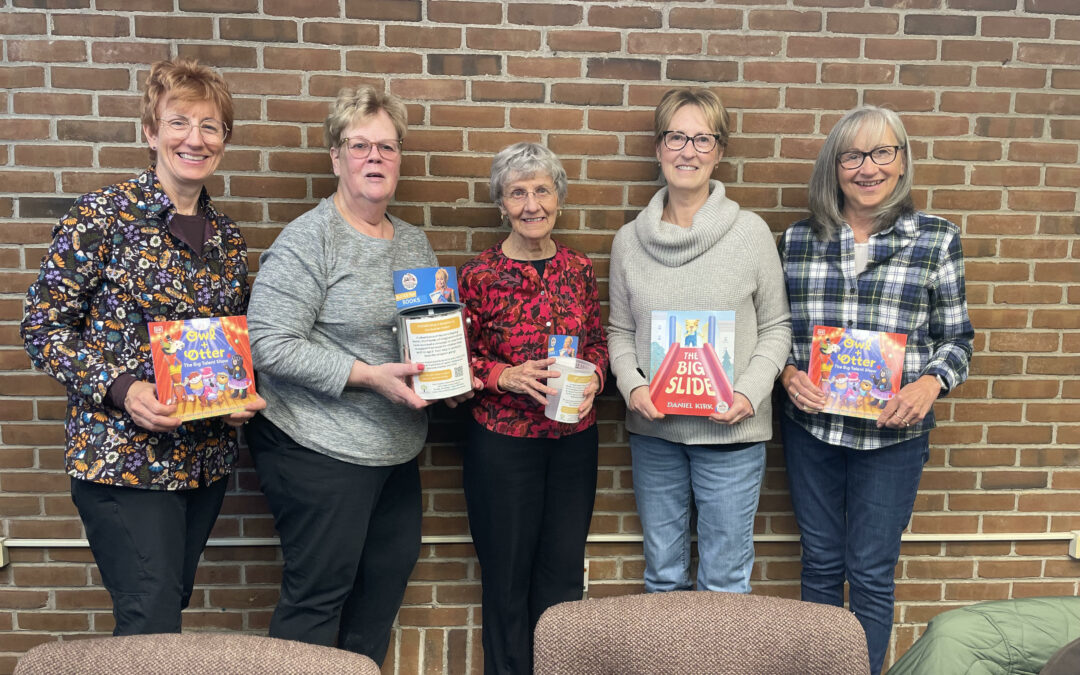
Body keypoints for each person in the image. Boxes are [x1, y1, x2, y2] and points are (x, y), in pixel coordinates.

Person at [20, 58, 264, 634]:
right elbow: (43, 326)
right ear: (151, 132)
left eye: (210, 127)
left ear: (224, 140)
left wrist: (238, 398)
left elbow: (229, 342)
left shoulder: (228, 238)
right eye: (178, 122)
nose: (194, 139)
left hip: (202, 464)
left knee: (162, 608)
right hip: (122, 462)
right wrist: (124, 390)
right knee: (150, 619)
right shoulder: (101, 217)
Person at [244, 86, 473, 664]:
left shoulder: (414, 243)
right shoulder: (309, 239)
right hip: (317, 449)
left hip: (394, 453)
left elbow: (420, 333)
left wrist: (443, 375)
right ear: (336, 157)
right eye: (360, 145)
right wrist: (367, 376)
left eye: (387, 147)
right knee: (317, 602)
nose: (375, 158)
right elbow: (267, 342)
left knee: (379, 602)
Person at [777, 105, 974, 675]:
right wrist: (787, 375)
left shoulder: (937, 240)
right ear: (834, 166)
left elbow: (957, 338)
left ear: (902, 160)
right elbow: (773, 333)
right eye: (854, 155)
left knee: (869, 572)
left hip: (894, 434)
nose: (869, 168)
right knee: (818, 564)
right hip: (814, 428)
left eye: (882, 152)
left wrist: (931, 383)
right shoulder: (796, 241)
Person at [607, 87, 791, 594]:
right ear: (658, 148)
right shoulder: (628, 241)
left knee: (726, 580)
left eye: (702, 139)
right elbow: (619, 332)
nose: (688, 151)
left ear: (720, 151)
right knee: (662, 576)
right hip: (655, 435)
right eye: (676, 137)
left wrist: (747, 394)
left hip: (731, 435)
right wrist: (632, 387)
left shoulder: (751, 234)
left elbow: (777, 328)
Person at [459, 142, 608, 675]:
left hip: (573, 441)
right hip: (502, 444)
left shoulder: (579, 269)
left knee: (563, 574)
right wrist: (505, 375)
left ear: (558, 199)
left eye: (541, 190)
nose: (531, 204)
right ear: (501, 204)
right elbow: (456, 361)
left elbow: (596, 343)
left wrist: (595, 377)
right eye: (517, 192)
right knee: (506, 579)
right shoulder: (477, 275)